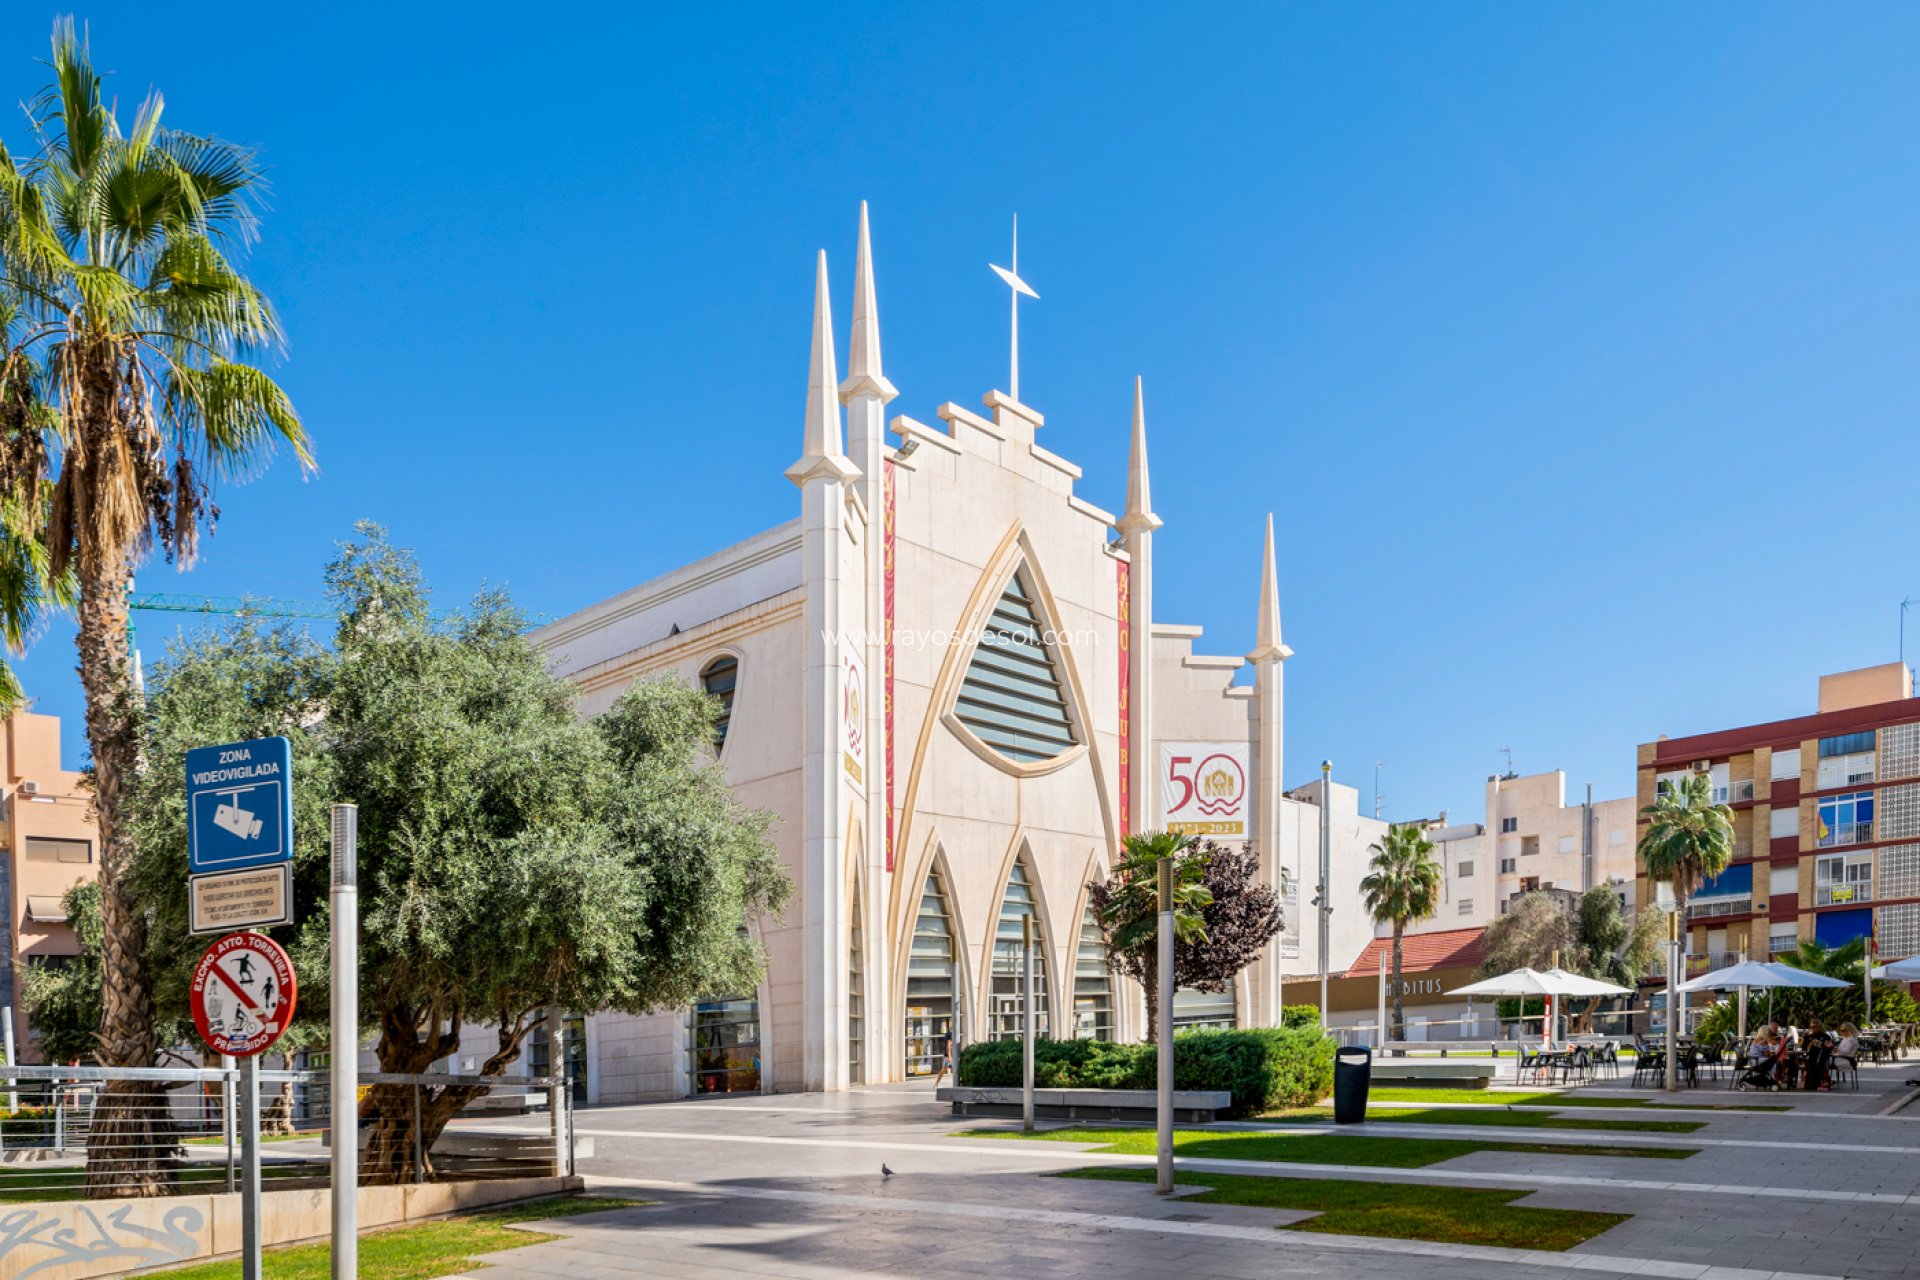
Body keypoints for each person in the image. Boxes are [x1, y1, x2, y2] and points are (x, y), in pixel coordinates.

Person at [1802, 1018, 1835, 1091]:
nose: (1813, 1029)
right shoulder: (1808, 1037)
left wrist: (1821, 1045)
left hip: (1820, 1057)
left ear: (1820, 1027)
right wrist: (1809, 1044)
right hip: (1808, 1057)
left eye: (1815, 1027)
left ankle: (1813, 1083)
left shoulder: (1825, 1036)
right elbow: (1803, 1048)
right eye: (1811, 1027)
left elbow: (1830, 1046)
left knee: (1814, 1062)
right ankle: (1824, 1080)